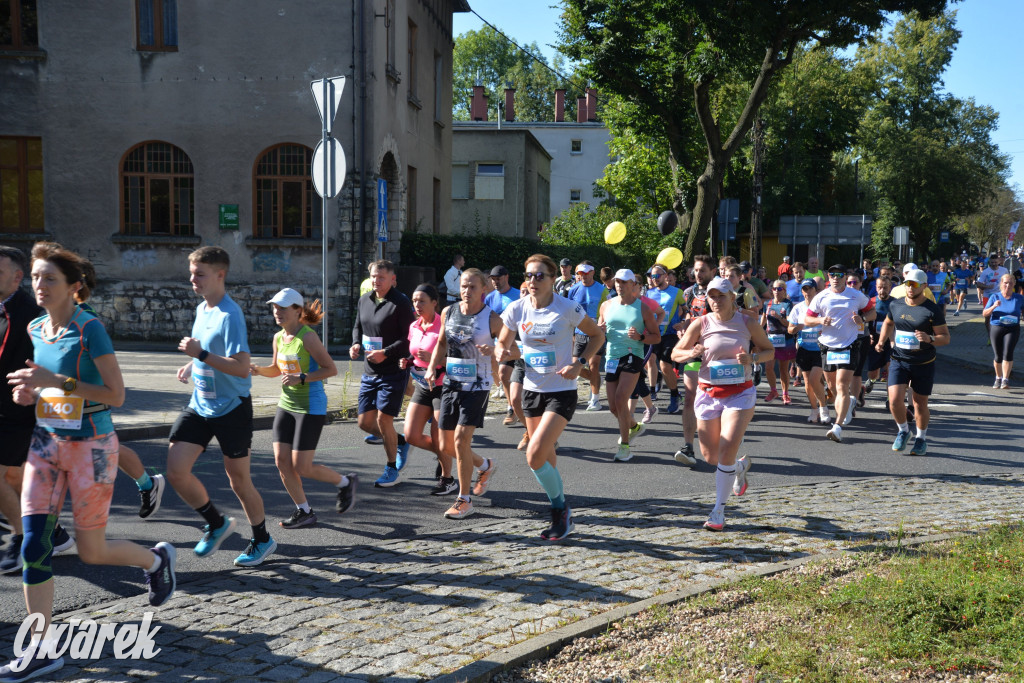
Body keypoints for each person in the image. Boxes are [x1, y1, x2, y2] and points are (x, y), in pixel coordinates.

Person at [2, 243, 175, 681]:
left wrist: (56, 381)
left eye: (49, 279)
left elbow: (115, 395)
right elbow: (49, 389)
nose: (40, 285)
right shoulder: (37, 327)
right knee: (33, 546)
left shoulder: (89, 328)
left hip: (92, 448)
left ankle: (155, 561)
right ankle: (41, 648)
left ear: (73, 287)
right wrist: (31, 394)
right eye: (36, 277)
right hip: (46, 444)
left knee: (92, 551)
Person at [166, 246, 275, 567]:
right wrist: (193, 365)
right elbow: (210, 353)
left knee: (238, 481)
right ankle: (216, 523)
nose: (193, 279)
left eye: (199, 274)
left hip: (231, 408)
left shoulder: (231, 315)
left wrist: (200, 355)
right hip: (200, 405)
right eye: (191, 273)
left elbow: (241, 367)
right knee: (176, 469)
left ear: (220, 275)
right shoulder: (203, 309)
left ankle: (262, 539)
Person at [497, 254, 605, 540]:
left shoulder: (566, 307)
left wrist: (580, 363)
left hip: (561, 391)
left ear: (552, 278)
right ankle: (561, 513)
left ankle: (560, 509)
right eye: (529, 275)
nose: (533, 280)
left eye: (539, 276)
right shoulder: (517, 308)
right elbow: (502, 342)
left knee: (534, 455)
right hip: (532, 391)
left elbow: (597, 336)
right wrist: (501, 351)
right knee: (546, 456)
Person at [671, 276, 774, 531]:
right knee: (711, 457)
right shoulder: (701, 323)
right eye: (712, 296)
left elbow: (769, 350)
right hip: (708, 393)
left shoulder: (747, 322)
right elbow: (676, 353)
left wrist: (752, 358)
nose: (716, 301)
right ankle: (739, 467)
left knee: (726, 448)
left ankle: (718, 511)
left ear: (732, 297)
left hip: (740, 393)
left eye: (721, 296)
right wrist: (692, 353)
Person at [250, 289, 356, 529]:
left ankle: (345, 483)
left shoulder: (308, 337)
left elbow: (330, 369)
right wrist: (258, 370)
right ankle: (304, 511)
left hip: (310, 406)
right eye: (275, 307)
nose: (277, 312)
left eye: (283, 308)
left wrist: (303, 378)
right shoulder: (278, 337)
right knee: (281, 461)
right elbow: (276, 369)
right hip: (286, 404)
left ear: (297, 310)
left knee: (302, 467)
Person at [427, 269, 502, 519]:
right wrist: (431, 367)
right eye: (463, 286)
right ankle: (485, 465)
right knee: (446, 445)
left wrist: (494, 351)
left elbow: (512, 349)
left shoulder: (492, 318)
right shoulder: (449, 312)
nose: (466, 291)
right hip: (451, 383)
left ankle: (464, 499)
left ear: (483, 290)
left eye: (472, 287)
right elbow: (441, 343)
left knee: (460, 441)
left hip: (478, 386)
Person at [350, 260, 415, 487]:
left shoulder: (401, 303)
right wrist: (355, 344)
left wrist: (385, 353)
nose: (376, 281)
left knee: (383, 419)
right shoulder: (364, 300)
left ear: (392, 279)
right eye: (373, 277)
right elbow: (358, 326)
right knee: (364, 423)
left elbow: (409, 338)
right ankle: (400, 442)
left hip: (393, 370)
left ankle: (391, 468)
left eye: (381, 278)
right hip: (370, 370)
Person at [875, 268, 949, 456]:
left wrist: (930, 338)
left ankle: (921, 439)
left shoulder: (932, 309)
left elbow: (945, 338)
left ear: (924, 286)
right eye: (907, 284)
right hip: (899, 359)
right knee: (894, 401)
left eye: (914, 284)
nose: (910, 288)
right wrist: (881, 341)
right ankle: (903, 431)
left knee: (919, 404)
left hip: (923, 362)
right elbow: (888, 323)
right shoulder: (896, 304)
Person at [597, 269, 661, 462]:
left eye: (624, 282)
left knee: (620, 398)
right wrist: (599, 330)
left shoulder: (643, 308)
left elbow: (656, 337)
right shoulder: (606, 305)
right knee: (613, 407)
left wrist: (640, 337)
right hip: (612, 357)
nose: (620, 285)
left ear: (633, 285)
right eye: (617, 282)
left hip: (633, 355)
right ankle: (634, 426)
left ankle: (624, 447)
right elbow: (599, 332)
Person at [804, 264, 871, 443]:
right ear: (828, 277)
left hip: (849, 345)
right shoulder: (821, 296)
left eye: (839, 275)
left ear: (845, 277)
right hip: (827, 346)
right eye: (832, 274)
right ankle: (848, 402)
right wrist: (820, 320)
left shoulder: (855, 295)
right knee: (832, 387)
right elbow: (807, 319)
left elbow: (872, 311)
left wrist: (863, 318)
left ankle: (837, 426)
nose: (835, 277)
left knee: (842, 385)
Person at [400, 284, 453, 494]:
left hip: (443, 386)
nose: (417, 305)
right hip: (422, 386)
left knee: (440, 437)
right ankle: (445, 454)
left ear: (434, 303)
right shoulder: (414, 326)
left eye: (422, 301)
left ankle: (447, 479)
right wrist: (408, 361)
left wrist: (435, 360)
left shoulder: (444, 326)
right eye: (414, 301)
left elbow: (457, 359)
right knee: (411, 435)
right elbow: (415, 353)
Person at [674, 255, 716, 466]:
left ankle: (725, 440)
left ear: (713, 271)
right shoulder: (688, 293)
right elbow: (687, 316)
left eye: (702, 270)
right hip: (694, 352)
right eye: (696, 270)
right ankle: (688, 447)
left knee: (716, 399)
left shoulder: (720, 292)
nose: (698, 274)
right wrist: (684, 328)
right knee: (690, 397)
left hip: (717, 354)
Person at [567, 261, 608, 411]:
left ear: (592, 273)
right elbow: (569, 311)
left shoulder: (602, 290)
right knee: (574, 367)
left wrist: (603, 323)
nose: (583, 276)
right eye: (580, 273)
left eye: (586, 273)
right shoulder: (573, 289)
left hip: (596, 334)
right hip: (579, 334)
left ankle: (595, 400)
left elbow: (609, 309)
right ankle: (595, 379)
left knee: (594, 366)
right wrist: (570, 332)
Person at [645, 263, 687, 413]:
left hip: (670, 334)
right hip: (654, 333)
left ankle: (674, 395)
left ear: (666, 276)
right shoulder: (648, 293)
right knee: (649, 361)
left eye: (657, 275)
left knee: (664, 365)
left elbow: (687, 310)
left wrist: (682, 322)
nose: (654, 278)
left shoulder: (677, 292)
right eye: (652, 276)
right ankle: (655, 385)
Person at [788, 279, 829, 423]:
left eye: (810, 289)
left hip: (820, 349)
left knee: (814, 379)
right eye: (804, 289)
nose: (807, 292)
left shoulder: (823, 307)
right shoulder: (798, 308)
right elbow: (790, 329)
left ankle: (823, 408)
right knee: (807, 383)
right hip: (804, 349)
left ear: (816, 290)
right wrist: (798, 327)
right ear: (802, 291)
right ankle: (814, 410)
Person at [485, 265, 521, 426]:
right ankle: (511, 407)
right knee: (503, 373)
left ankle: (525, 405)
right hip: (503, 342)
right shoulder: (489, 298)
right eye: (493, 279)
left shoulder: (518, 295)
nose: (495, 282)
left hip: (522, 340)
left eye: (498, 279)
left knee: (525, 377)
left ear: (506, 277)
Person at [983, 273, 1023, 389]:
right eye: (1005, 283)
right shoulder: (994, 297)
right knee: (998, 355)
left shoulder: (1019, 298)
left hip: (1013, 328)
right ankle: (998, 378)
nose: (1008, 285)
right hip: (997, 327)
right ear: (1001, 283)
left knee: (1008, 353)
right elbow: (985, 313)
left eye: (1010, 283)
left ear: (1014, 284)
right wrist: (994, 306)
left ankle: (1005, 380)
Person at [761, 280, 796, 404]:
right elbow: (763, 320)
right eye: (774, 288)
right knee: (768, 367)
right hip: (771, 339)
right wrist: (758, 332)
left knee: (783, 369)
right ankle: (773, 391)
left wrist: (779, 317)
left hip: (785, 340)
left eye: (779, 289)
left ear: (784, 291)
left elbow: (789, 324)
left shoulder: (788, 304)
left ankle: (785, 394)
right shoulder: (767, 303)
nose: (776, 291)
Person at [865, 275, 895, 395]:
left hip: (891, 339)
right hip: (875, 340)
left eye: (885, 287)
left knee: (890, 367)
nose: (882, 290)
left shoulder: (895, 303)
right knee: (873, 372)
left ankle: (890, 398)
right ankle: (872, 380)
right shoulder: (871, 302)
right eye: (879, 287)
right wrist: (868, 334)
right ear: (876, 287)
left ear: (890, 287)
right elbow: (865, 321)